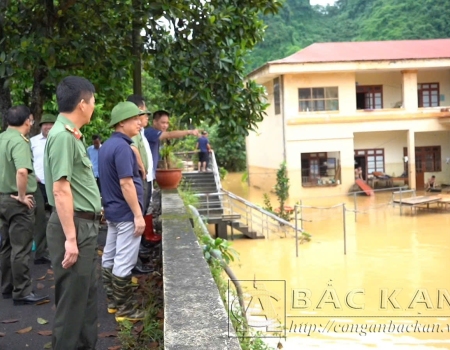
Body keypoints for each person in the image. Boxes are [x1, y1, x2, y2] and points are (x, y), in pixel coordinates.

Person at [44, 76, 101, 350]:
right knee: (72, 305)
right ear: (82, 103)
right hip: (74, 225)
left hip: (83, 225)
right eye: (93, 102)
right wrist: (70, 238)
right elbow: (60, 189)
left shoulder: (71, 134)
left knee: (87, 300)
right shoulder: (62, 136)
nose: (94, 107)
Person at [99, 101, 146, 322]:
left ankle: (112, 303)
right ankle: (126, 311)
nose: (139, 122)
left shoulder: (107, 146)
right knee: (124, 261)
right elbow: (126, 183)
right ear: (121, 123)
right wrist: (138, 215)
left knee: (109, 256)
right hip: (126, 214)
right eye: (134, 118)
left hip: (112, 212)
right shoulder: (123, 148)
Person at [0, 105, 49, 305]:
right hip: (17, 200)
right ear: (27, 120)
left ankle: (7, 287)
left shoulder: (2, 138)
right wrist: (21, 196)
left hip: (3, 197)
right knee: (21, 247)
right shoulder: (19, 142)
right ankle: (22, 291)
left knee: (6, 246)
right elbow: (22, 171)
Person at [30, 113, 56, 265]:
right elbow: (25, 160)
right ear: (40, 126)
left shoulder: (59, 140)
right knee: (39, 219)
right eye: (45, 124)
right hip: (37, 185)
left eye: (51, 124)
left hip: (55, 184)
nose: (48, 127)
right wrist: (32, 175)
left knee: (57, 219)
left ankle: (56, 254)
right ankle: (40, 253)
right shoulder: (32, 142)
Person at [144, 110, 199, 178]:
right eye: (163, 123)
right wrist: (189, 132)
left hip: (149, 175)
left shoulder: (155, 135)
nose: (165, 126)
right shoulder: (150, 133)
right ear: (154, 122)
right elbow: (169, 134)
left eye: (167, 123)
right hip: (145, 175)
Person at [126, 94, 153, 214]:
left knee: (144, 209)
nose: (146, 116)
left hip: (146, 177)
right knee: (140, 211)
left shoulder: (141, 131)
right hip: (141, 177)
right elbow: (133, 147)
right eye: (144, 112)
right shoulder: (133, 132)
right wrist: (142, 166)